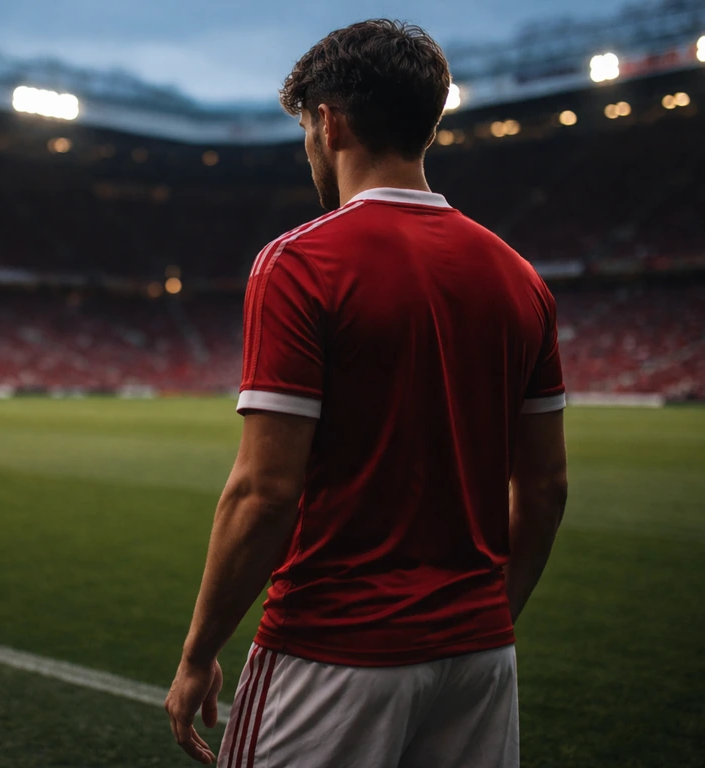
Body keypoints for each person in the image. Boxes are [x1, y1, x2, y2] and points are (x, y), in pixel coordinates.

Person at [164, 19, 568, 768]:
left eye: (306, 131)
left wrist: (199, 652)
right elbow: (544, 487)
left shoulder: (301, 261)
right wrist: (487, 618)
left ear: (329, 122)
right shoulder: (521, 279)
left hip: (332, 653)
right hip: (481, 661)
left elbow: (263, 492)